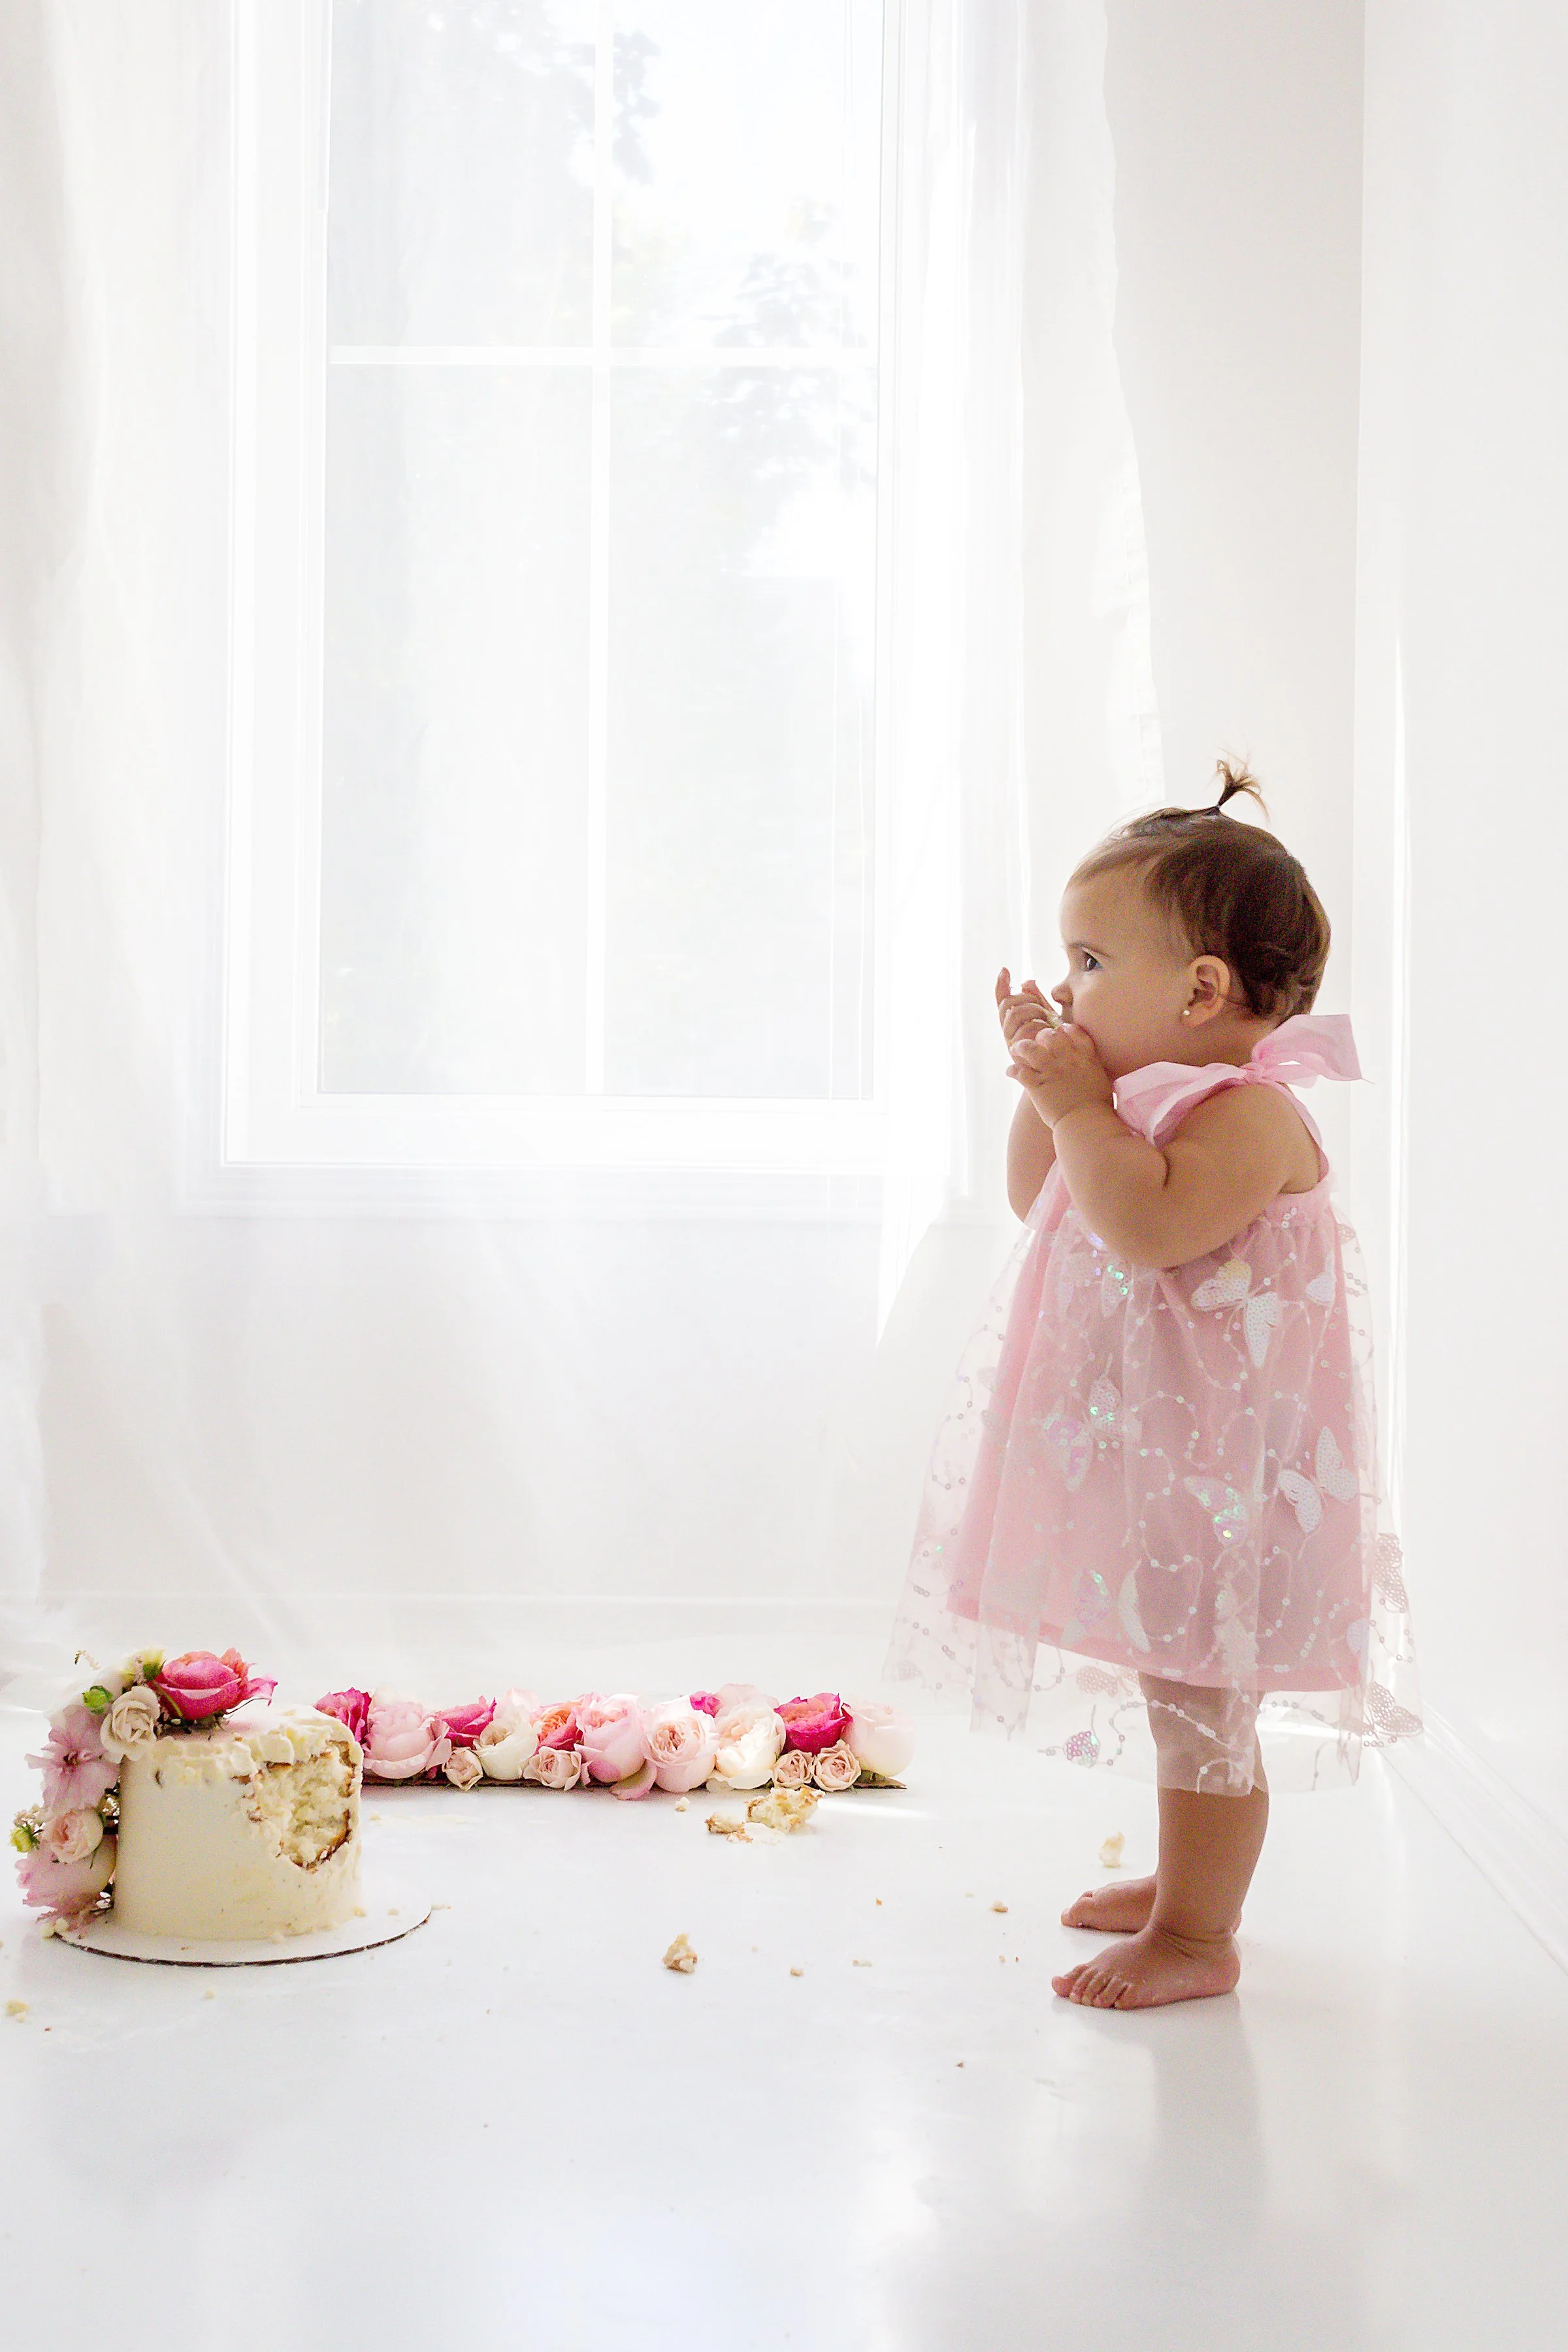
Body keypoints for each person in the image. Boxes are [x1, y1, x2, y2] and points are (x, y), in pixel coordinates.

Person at [885, 764, 1420, 2009]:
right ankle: (1189, 1889)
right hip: (1160, 1458)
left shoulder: (1250, 1116)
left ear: (1199, 991)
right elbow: (1051, 1203)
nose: (1070, 988)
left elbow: (1147, 1229)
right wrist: (1049, 1092)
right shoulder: (1133, 1103)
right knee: (1174, 1680)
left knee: (1202, 1694)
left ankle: (1197, 1938)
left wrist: (1085, 1106)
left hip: (1227, 1475)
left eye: (1089, 964)